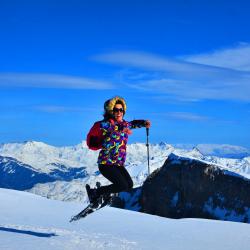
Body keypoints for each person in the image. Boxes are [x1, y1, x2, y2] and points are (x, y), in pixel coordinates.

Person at [86, 96, 151, 203]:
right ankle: (96, 193)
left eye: (121, 110)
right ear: (111, 111)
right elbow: (107, 126)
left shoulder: (124, 124)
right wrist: (121, 128)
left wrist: (144, 123)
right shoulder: (105, 124)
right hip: (106, 163)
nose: (119, 112)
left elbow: (132, 124)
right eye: (116, 110)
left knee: (129, 185)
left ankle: (104, 194)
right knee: (122, 185)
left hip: (117, 164)